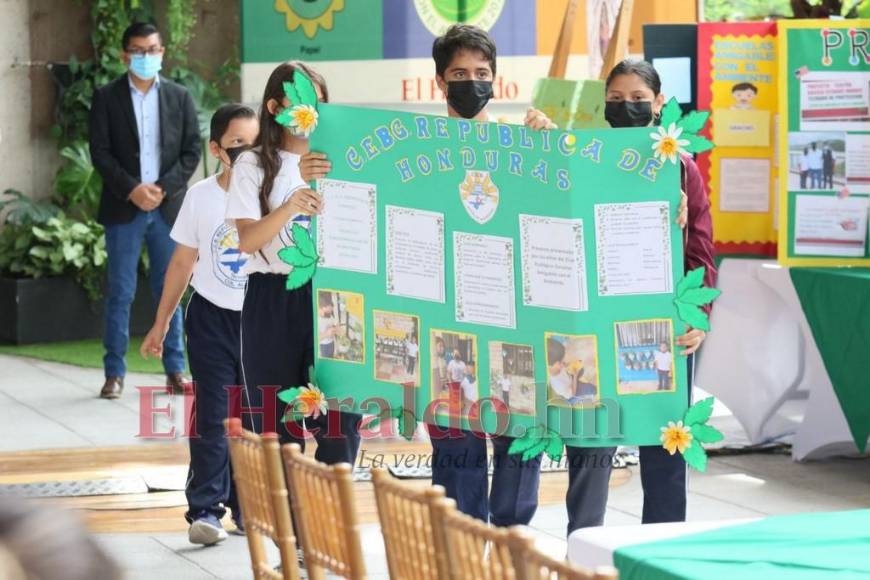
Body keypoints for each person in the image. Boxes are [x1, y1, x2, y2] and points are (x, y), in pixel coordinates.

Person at [567, 59, 717, 534]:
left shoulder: (680, 167)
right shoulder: (581, 160)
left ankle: (663, 552)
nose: (625, 108)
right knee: (591, 448)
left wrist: (699, 315)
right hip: (593, 328)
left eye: (637, 100)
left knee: (664, 448)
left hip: (661, 331)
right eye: (615, 100)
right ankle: (582, 549)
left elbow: (701, 250)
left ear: (657, 106)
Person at [226, 62, 361, 469]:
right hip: (272, 297)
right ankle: (292, 526)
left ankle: (332, 520)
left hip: (334, 299)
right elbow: (247, 241)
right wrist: (290, 200)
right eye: (298, 101)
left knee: (341, 417)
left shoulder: (344, 157)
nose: (310, 112)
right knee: (275, 422)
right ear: (273, 106)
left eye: (317, 102)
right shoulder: (252, 165)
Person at [140, 104, 258, 545]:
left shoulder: (275, 194)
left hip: (260, 321)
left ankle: (251, 508)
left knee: (255, 415)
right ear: (216, 149)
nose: (247, 153)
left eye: (254, 143)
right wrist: (161, 322)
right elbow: (182, 262)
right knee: (212, 414)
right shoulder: (202, 196)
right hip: (210, 318)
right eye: (237, 145)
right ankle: (206, 510)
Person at [89, 22, 201, 399]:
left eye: (153, 50)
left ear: (163, 53)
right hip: (125, 208)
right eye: (138, 51)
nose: (146, 57)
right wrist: (133, 189)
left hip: (168, 209)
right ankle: (114, 373)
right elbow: (100, 153)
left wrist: (163, 189)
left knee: (169, 289)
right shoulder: (106, 97)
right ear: (124, 55)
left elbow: (191, 151)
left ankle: (175, 369)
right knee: (120, 291)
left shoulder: (179, 97)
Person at [317, 293, 338, 358]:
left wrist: (336, 327)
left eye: (331, 310)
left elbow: (333, 322)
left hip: (331, 342)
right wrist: (327, 334)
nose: (330, 313)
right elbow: (316, 339)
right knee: (326, 359)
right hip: (324, 346)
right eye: (329, 311)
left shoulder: (329, 315)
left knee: (331, 355)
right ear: (322, 308)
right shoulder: (317, 320)